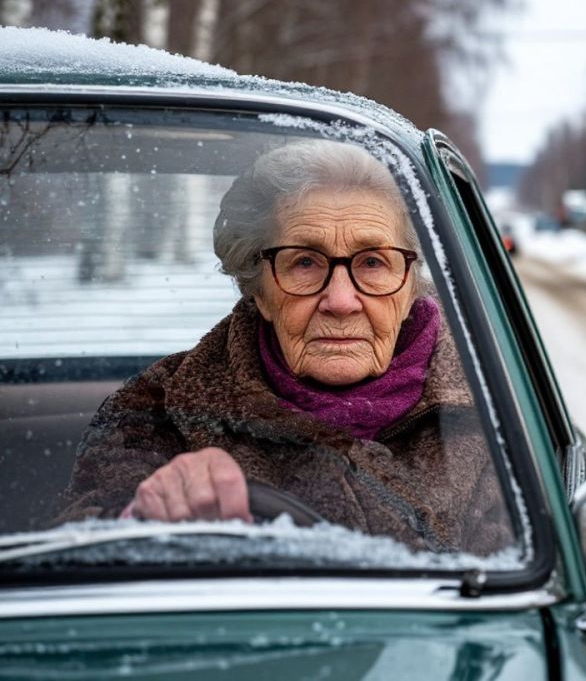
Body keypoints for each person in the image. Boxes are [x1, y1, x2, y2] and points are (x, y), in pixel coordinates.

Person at [59, 140, 513, 555]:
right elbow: (75, 564)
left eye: (373, 262)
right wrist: (146, 516)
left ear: (410, 283)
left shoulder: (500, 405)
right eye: (304, 262)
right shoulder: (161, 412)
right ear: (257, 290)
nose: (340, 300)